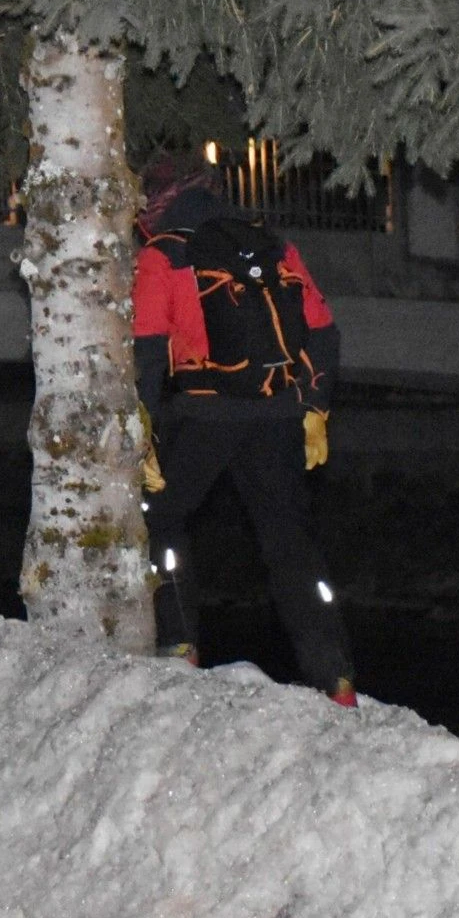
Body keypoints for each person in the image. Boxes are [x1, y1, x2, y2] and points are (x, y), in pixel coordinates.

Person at [132, 150, 357, 707]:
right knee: (290, 545)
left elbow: (146, 355)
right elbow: (324, 332)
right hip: (277, 413)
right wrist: (315, 409)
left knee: (161, 517)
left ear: (159, 202)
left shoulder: (164, 254)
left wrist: (144, 428)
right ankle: (336, 679)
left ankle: (180, 644)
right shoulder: (270, 243)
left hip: (203, 414)